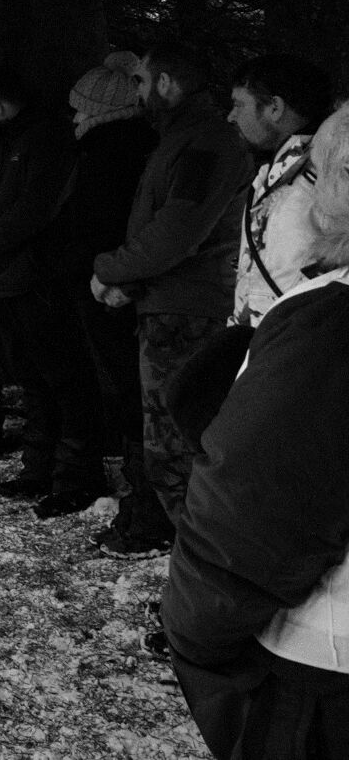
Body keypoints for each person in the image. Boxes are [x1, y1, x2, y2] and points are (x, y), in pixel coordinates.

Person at [162, 102, 349, 758]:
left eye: (319, 174)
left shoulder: (330, 326)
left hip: (324, 670)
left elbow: (252, 511)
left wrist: (194, 631)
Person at [91, 45, 252, 556]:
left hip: (187, 313)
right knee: (166, 445)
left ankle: (206, 565)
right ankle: (189, 556)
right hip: (168, 304)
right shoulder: (182, 139)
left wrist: (111, 269)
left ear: (166, 84)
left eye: (141, 82)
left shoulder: (206, 142)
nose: (136, 93)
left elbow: (177, 232)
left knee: (177, 447)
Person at [0, 66, 101, 517]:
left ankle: (75, 476)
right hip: (5, 278)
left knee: (63, 377)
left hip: (42, 280)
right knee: (32, 378)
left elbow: (34, 211)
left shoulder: (47, 142)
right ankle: (38, 466)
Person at [51, 54, 160, 535]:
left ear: (100, 109)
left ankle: (142, 494)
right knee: (122, 383)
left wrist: (105, 274)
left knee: (124, 384)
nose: (73, 117)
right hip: (104, 280)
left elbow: (103, 223)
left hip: (107, 286)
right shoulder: (117, 149)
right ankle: (135, 485)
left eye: (80, 107)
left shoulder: (109, 154)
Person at [228, 54, 334, 326]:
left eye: (239, 105)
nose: (231, 116)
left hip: (302, 341)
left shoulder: (329, 174)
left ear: (275, 107)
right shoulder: (278, 174)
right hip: (273, 341)